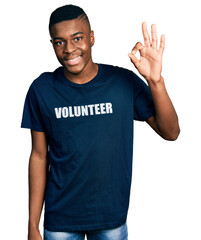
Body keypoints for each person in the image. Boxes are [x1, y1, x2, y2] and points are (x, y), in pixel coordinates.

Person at [21, 4, 180, 240]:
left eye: (77, 38)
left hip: (110, 219)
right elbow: (39, 155)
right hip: (60, 220)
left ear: (91, 38)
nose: (69, 49)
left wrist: (155, 81)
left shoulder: (122, 82)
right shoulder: (41, 89)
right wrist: (32, 224)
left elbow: (171, 131)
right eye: (59, 42)